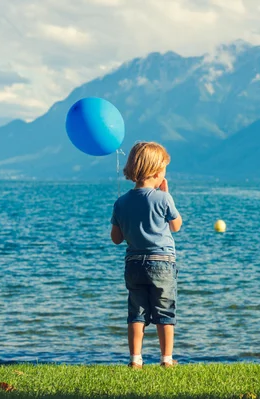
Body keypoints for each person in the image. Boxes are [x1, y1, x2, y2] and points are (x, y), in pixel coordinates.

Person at [110, 141, 182, 369]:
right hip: (161, 262)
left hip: (134, 265)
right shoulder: (163, 198)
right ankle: (166, 359)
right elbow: (176, 226)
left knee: (137, 312)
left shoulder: (121, 202)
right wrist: (167, 195)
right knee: (164, 311)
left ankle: (135, 359)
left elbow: (116, 238)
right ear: (156, 172)